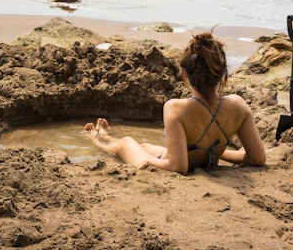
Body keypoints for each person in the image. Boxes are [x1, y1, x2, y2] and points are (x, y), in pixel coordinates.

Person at [83, 32, 266, 174]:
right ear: (223, 72)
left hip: (176, 161)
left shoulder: (176, 108)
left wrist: (148, 161)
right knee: (145, 147)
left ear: (184, 74)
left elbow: (179, 166)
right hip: (199, 158)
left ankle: (97, 140)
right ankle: (107, 137)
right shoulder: (238, 105)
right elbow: (258, 158)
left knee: (126, 142)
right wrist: (217, 151)